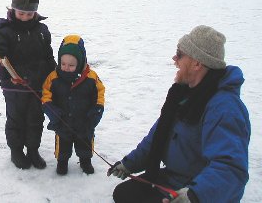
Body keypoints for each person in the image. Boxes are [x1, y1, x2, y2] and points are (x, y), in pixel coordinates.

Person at [107, 25, 251, 203]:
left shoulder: (224, 108)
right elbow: (157, 136)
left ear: (197, 63)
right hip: (173, 179)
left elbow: (230, 168)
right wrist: (130, 163)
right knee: (125, 193)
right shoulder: (183, 94)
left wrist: (194, 195)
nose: (175, 59)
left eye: (180, 54)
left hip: (198, 190)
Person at [0, 0, 56, 170]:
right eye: (21, 13)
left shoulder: (42, 30)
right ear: (13, 9)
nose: (26, 17)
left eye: (30, 13)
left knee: (36, 119)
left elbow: (48, 57)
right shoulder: (3, 31)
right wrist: (5, 74)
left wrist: (54, 76)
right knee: (16, 120)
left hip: (38, 86)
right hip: (14, 88)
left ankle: (33, 150)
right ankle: (16, 151)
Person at [42, 35, 105, 175]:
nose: (66, 68)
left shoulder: (91, 77)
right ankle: (62, 162)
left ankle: (85, 161)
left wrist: (96, 110)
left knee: (85, 142)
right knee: (63, 144)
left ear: (80, 62)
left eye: (71, 65)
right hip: (62, 119)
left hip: (84, 119)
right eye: (63, 64)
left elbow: (99, 93)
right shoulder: (54, 77)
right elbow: (46, 94)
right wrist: (52, 110)